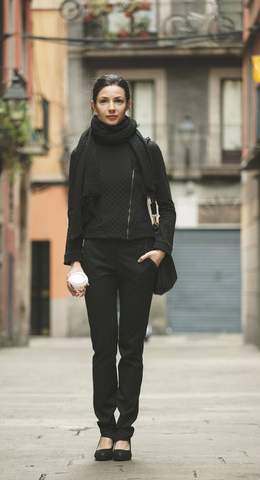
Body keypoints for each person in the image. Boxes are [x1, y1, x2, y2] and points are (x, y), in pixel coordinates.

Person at [64, 74, 176, 461]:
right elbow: (74, 211)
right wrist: (74, 259)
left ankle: (125, 430)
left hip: (139, 255)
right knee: (101, 348)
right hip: (95, 255)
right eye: (104, 100)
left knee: (131, 348)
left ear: (128, 104)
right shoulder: (82, 151)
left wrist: (161, 248)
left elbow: (167, 203)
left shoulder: (146, 149)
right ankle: (104, 430)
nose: (112, 107)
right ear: (93, 105)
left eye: (118, 100)